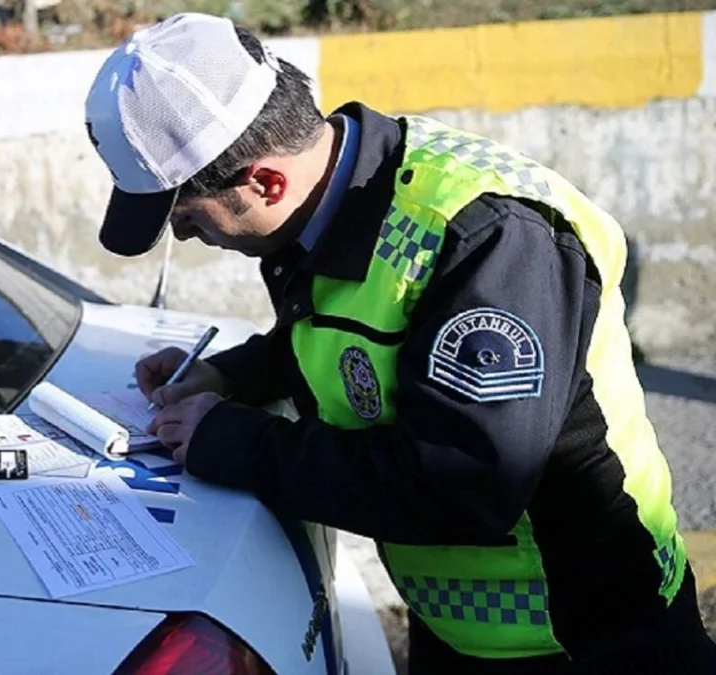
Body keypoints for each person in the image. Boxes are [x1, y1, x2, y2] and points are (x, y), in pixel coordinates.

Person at [82, 11, 716, 675]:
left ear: (265, 181)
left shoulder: (488, 240)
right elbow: (347, 338)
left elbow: (464, 481)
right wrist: (231, 375)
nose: (186, 237)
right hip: (458, 622)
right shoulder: (332, 197)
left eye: (187, 217)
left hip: (585, 634)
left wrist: (231, 440)